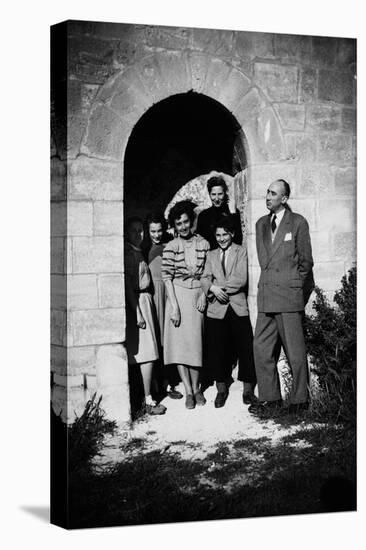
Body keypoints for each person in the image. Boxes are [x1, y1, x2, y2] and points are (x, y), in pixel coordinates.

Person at [249, 179, 314, 416]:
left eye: (273, 193)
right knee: (261, 347)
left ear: (284, 198)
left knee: (294, 351)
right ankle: (271, 398)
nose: (268, 196)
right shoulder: (260, 224)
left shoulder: (297, 223)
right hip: (267, 295)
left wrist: (295, 288)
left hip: (288, 296)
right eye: (267, 191)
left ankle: (299, 401)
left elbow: (306, 263)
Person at [201, 216, 257, 408]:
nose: (222, 238)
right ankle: (221, 388)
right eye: (218, 234)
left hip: (237, 306)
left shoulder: (241, 251)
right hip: (216, 308)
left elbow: (240, 278)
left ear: (232, 233)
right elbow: (204, 277)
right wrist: (212, 289)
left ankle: (248, 389)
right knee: (217, 348)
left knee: (246, 347)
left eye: (225, 234)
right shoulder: (211, 255)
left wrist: (218, 288)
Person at [162, 200, 210, 409]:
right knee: (181, 346)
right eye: (178, 223)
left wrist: (203, 294)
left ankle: (198, 387)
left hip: (197, 295)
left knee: (195, 343)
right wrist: (174, 307)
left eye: (185, 222)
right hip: (177, 296)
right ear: (174, 226)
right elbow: (166, 278)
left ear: (191, 222)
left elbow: (208, 274)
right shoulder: (171, 247)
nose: (183, 226)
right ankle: (188, 391)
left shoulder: (204, 244)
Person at [124, 216, 166, 415]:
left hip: (145, 300)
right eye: (134, 231)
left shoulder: (138, 251)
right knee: (147, 353)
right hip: (139, 303)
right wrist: (138, 312)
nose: (138, 234)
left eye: (141, 230)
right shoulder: (129, 254)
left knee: (148, 352)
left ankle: (146, 394)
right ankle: (148, 400)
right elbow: (128, 286)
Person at [142, 212, 183, 400]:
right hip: (152, 294)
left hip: (167, 292)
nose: (156, 235)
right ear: (147, 230)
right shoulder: (143, 248)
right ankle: (155, 384)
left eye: (159, 230)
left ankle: (167, 383)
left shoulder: (169, 244)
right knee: (155, 340)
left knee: (167, 339)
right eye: (153, 231)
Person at [196, 175, 242, 250]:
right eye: (213, 194)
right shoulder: (203, 216)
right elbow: (199, 243)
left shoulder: (232, 213)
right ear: (209, 195)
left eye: (220, 194)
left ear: (225, 194)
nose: (217, 198)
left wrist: (233, 214)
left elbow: (238, 239)